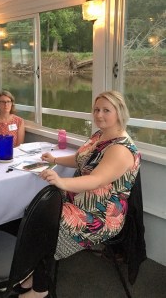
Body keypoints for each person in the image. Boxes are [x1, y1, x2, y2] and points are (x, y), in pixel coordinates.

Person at [24, 91, 141, 298]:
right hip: (80, 199)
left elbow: (96, 180)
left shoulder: (121, 149)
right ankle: (36, 271)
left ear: (119, 112)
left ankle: (40, 288)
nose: (99, 115)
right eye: (96, 109)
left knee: (46, 221)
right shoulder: (99, 135)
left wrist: (61, 181)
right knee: (38, 210)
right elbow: (80, 159)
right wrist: (55, 160)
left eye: (106, 110)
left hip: (101, 214)